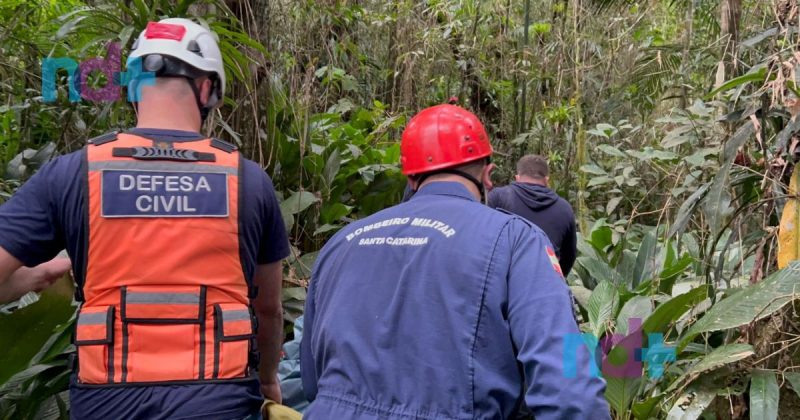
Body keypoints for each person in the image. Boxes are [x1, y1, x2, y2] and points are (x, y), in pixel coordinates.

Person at [0, 18, 289, 419]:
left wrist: (27, 279)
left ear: (133, 88)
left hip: (104, 401)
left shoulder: (73, 173)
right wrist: (269, 378)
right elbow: (269, 309)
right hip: (218, 400)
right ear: (206, 88)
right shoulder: (249, 181)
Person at [300, 104, 609, 419]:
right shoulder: (517, 240)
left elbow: (312, 381)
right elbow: (572, 395)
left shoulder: (341, 243)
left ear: (410, 178)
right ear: (488, 176)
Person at [488, 154, 577, 277]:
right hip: (546, 284)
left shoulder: (499, 197)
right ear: (547, 180)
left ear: (517, 177)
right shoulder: (564, 208)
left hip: (504, 282)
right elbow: (569, 257)